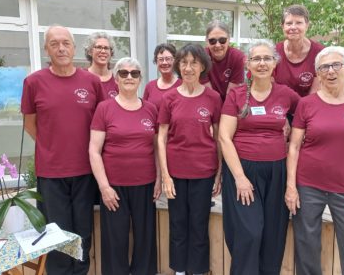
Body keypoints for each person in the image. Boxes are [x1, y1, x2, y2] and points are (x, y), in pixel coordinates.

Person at [21, 25, 103, 275]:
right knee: (56, 234)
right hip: (51, 173)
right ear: (46, 49)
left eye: (66, 42)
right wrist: (52, 147)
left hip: (85, 172)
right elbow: (30, 124)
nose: (61, 48)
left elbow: (101, 124)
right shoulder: (33, 82)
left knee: (82, 233)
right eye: (54, 43)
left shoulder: (91, 82)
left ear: (74, 48)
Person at [285, 46, 344, 275]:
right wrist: (291, 186)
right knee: (307, 246)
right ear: (318, 73)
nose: (331, 71)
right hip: (308, 187)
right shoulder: (307, 104)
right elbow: (294, 146)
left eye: (337, 65)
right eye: (324, 67)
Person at [219, 39, 300, 275]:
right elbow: (224, 137)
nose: (262, 63)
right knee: (249, 233)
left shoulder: (286, 94)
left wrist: (292, 128)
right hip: (243, 171)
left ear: (275, 63)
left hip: (277, 172)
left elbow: (307, 116)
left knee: (274, 235)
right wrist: (240, 178)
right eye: (256, 58)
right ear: (248, 64)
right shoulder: (236, 95)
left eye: (267, 58)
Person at [89, 57, 160, 275]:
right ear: (116, 78)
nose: (129, 77)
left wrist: (159, 178)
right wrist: (104, 187)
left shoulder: (151, 109)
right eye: (124, 73)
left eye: (134, 73)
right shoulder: (104, 108)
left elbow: (158, 148)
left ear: (140, 79)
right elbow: (94, 150)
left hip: (146, 185)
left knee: (145, 239)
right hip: (114, 188)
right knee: (115, 241)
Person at [158, 43, 222, 275]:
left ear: (202, 66)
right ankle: (180, 270)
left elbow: (219, 138)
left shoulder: (213, 98)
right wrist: (165, 175)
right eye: (183, 63)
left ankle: (198, 269)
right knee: (178, 224)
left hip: (204, 172)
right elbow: (162, 137)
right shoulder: (169, 98)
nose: (188, 68)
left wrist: (218, 173)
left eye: (193, 63)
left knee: (198, 224)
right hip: (176, 172)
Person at [273, 5, 325, 97]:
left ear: (307, 26)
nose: (293, 27)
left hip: (308, 107)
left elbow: (315, 94)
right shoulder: (273, 52)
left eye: (299, 23)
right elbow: (270, 88)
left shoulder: (320, 53)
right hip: (279, 106)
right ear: (282, 27)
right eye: (289, 23)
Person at [201, 20, 245, 101]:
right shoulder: (202, 57)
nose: (217, 45)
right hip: (208, 100)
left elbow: (231, 93)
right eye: (212, 41)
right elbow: (208, 93)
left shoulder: (237, 57)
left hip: (230, 100)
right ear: (207, 41)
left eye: (222, 40)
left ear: (229, 40)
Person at [143, 43, 182, 110]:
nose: (164, 62)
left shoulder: (182, 85)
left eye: (168, 59)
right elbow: (144, 111)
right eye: (161, 59)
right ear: (156, 62)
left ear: (175, 61)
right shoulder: (150, 86)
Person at [84, 32, 118, 99]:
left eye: (106, 48)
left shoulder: (118, 79)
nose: (103, 51)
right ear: (90, 52)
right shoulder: (81, 77)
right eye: (99, 47)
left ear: (111, 53)